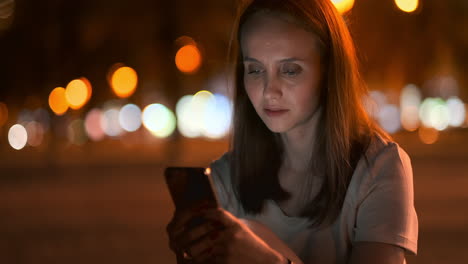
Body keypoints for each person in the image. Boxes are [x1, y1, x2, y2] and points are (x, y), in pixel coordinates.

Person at [166, 0, 418, 263]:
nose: (268, 90)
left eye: (289, 70)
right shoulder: (225, 179)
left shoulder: (379, 168)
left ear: (329, 71)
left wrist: (269, 259)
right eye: (255, 69)